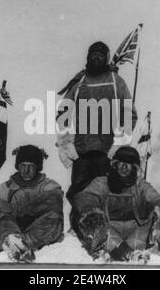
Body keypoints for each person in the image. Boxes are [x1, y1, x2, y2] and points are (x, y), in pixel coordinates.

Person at [56, 41, 138, 223]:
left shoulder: (116, 82)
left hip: (107, 150)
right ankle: (79, 226)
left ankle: (106, 227)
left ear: (107, 58)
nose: (97, 57)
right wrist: (67, 145)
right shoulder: (80, 83)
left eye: (101, 54)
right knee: (79, 190)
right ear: (88, 57)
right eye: (93, 54)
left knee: (106, 190)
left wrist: (119, 146)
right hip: (82, 150)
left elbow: (128, 113)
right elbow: (63, 114)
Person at [72, 146, 160, 262]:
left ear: (134, 168)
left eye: (129, 164)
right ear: (115, 165)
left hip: (136, 231)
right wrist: (91, 213)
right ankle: (123, 252)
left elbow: (156, 198)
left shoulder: (140, 185)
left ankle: (122, 252)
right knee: (90, 220)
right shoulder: (101, 182)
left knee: (154, 217)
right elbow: (85, 197)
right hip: (108, 229)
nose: (124, 167)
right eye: (121, 162)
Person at [0, 145, 64, 263]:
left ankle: (18, 244)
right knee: (1, 219)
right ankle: (11, 241)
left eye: (31, 166)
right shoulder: (6, 188)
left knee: (53, 220)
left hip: (37, 231)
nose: (26, 171)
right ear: (17, 166)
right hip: (11, 228)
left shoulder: (49, 187)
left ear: (37, 167)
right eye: (23, 166)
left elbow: (54, 217)